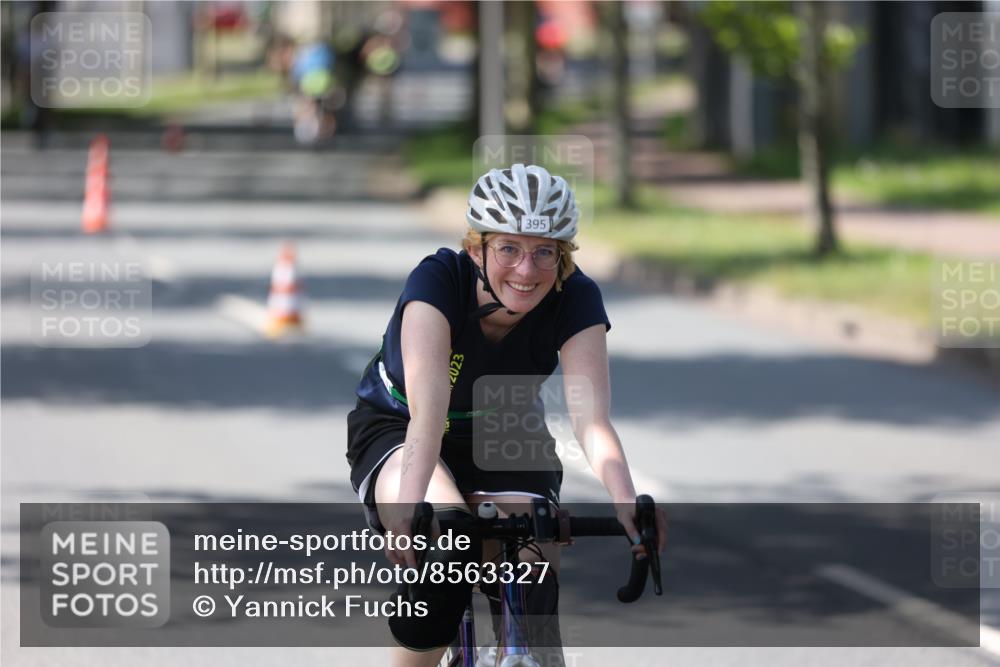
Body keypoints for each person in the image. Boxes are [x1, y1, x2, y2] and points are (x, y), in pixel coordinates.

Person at [346, 163, 667, 666]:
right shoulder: (437, 283)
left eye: (544, 252)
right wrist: (407, 513)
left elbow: (591, 420)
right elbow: (427, 419)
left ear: (563, 257)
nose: (526, 269)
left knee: (532, 564)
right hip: (402, 426)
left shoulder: (575, 296)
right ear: (477, 249)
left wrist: (626, 501)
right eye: (509, 248)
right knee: (448, 551)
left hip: (503, 428)